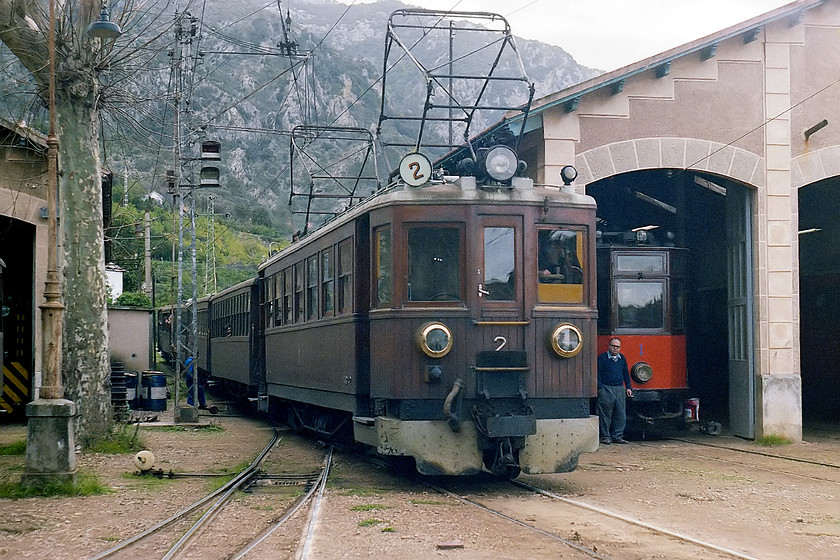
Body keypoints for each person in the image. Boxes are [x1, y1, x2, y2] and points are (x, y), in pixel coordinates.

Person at [597, 336, 633, 444]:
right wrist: (600, 388)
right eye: (613, 346)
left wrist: (629, 387)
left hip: (619, 388)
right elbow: (597, 373)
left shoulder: (622, 359)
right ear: (609, 346)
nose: (615, 349)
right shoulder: (602, 358)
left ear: (620, 348)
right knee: (605, 414)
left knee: (620, 413)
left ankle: (618, 436)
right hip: (606, 388)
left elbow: (626, 374)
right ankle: (605, 436)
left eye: (617, 347)